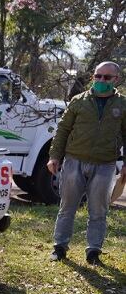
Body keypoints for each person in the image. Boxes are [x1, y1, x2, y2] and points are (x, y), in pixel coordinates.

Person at [47, 61, 126, 265]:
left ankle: (93, 252)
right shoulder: (78, 101)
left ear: (116, 80)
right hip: (74, 161)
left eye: (106, 78)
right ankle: (59, 247)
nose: (101, 80)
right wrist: (54, 156)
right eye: (98, 76)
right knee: (67, 207)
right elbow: (62, 130)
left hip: (105, 164)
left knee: (98, 210)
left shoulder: (122, 104)